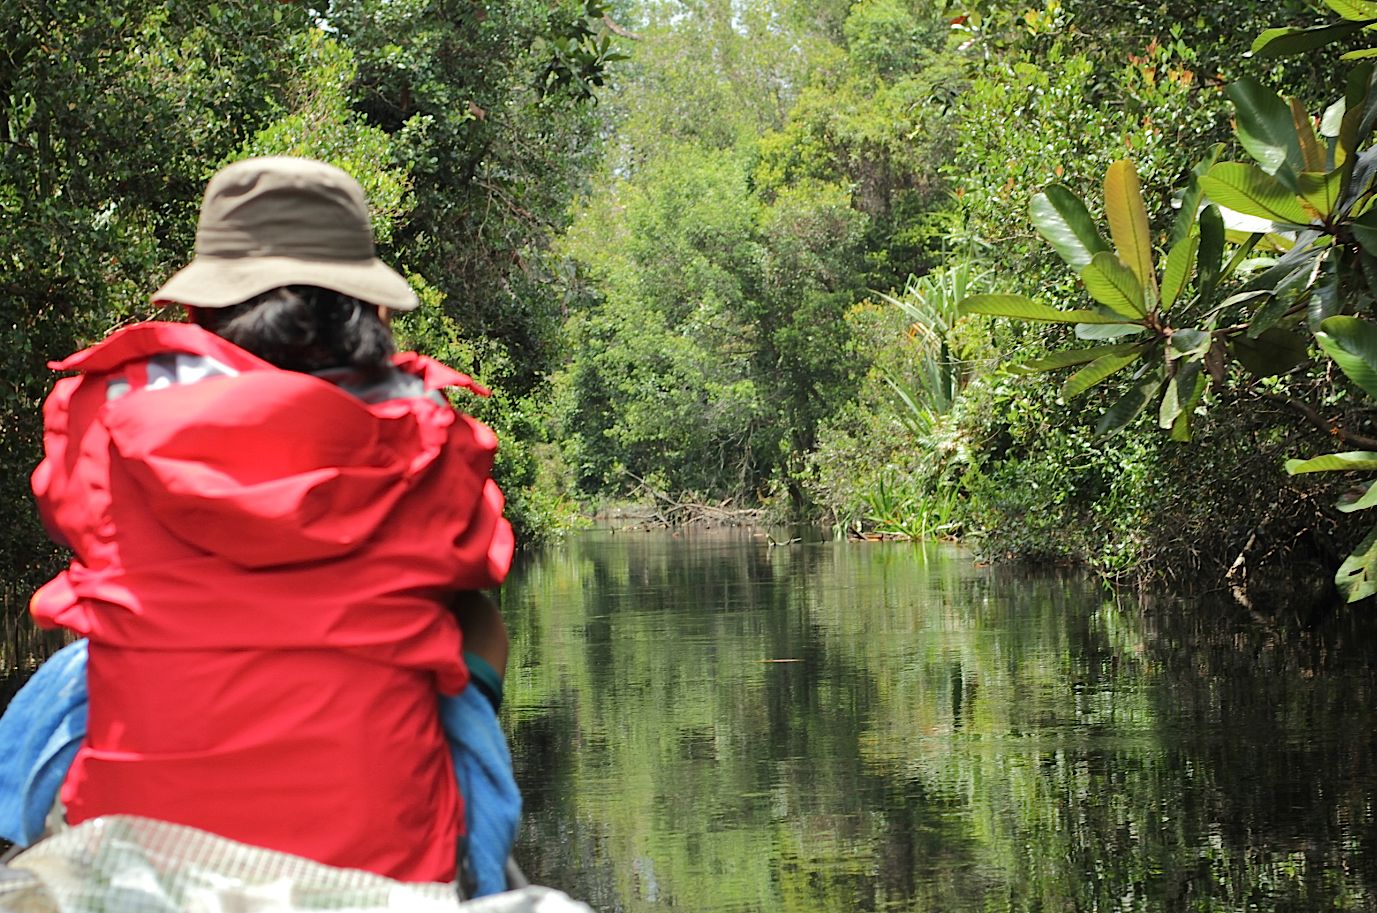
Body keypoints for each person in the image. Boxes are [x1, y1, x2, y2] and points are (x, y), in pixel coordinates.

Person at [7, 157, 517, 887]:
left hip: (137, 857)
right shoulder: (426, 428)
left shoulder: (104, 413)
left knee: (81, 662)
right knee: (472, 621)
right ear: (367, 309)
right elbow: (482, 555)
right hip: (383, 863)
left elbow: (66, 509)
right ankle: (484, 882)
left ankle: (7, 837)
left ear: (206, 308)